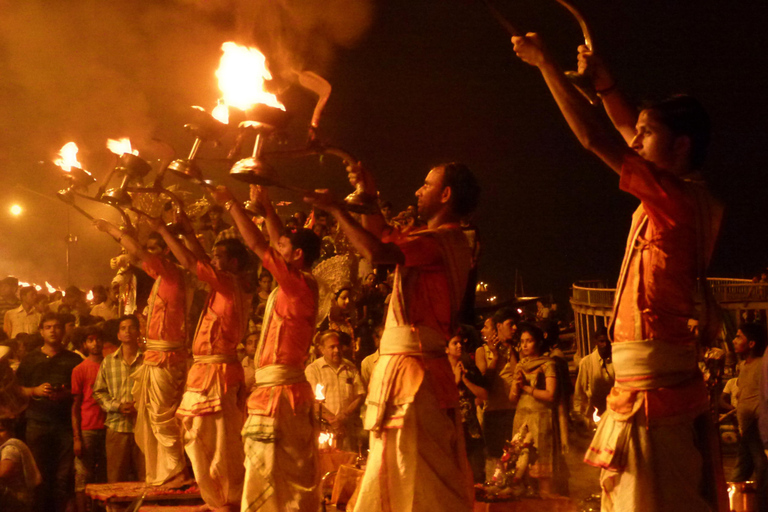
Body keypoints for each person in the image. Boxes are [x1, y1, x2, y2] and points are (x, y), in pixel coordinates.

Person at [512, 30, 726, 512]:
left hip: (654, 394)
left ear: (681, 145)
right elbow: (625, 128)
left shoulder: (676, 200)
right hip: (644, 387)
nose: (638, 139)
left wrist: (546, 65)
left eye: (649, 134)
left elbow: (595, 138)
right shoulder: (677, 192)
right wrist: (606, 85)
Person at [306, 160, 480, 512]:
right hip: (416, 366)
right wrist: (367, 195)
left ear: (445, 194)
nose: (418, 191)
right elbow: (383, 236)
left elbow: (378, 252)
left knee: (414, 472)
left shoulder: (439, 241)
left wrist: (338, 209)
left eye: (426, 185)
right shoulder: (440, 241)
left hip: (414, 372)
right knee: (400, 466)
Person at [213, 184, 321, 512]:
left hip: (282, 394)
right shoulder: (292, 282)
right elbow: (274, 242)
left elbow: (259, 244)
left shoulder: (299, 284)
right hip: (273, 390)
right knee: (269, 474)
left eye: (285, 245)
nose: (278, 246)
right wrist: (268, 208)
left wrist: (232, 204)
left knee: (280, 479)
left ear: (297, 256)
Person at [155, 211, 249, 512]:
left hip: (218, 374)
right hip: (205, 371)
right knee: (196, 438)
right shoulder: (220, 285)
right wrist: (185, 231)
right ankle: (216, 498)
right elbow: (200, 260)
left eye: (220, 256)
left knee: (222, 446)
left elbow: (192, 264)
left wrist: (165, 231)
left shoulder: (229, 284)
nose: (214, 260)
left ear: (233, 263)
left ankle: (228, 500)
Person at [95, 220, 189, 488]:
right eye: (149, 249)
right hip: (158, 356)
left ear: (167, 252)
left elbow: (138, 254)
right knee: (153, 415)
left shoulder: (171, 274)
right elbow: (139, 259)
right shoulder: (162, 278)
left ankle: (176, 471)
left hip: (166, 359)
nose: (149, 255)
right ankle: (166, 470)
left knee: (161, 416)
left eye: (155, 249)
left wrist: (113, 231)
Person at [16, 312, 82, 512]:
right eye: (48, 327)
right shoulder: (30, 359)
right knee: (38, 477)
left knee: (63, 478)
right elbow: (16, 389)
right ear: (41, 331)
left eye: (57, 326)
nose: (53, 331)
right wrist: (34, 390)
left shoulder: (73, 359)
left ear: (64, 331)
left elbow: (81, 392)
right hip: (37, 423)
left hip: (64, 425)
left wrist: (65, 393)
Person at [509, 323, 568, 496]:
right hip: (522, 419)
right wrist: (516, 384)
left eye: (529, 341)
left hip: (541, 420)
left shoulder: (547, 364)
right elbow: (512, 399)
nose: (524, 345)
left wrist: (527, 388)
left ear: (538, 342)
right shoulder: (521, 365)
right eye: (522, 341)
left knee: (542, 472)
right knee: (520, 469)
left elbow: (550, 395)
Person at [92, 315, 145, 483]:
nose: (127, 331)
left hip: (143, 427)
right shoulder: (108, 361)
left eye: (131, 327)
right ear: (118, 335)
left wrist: (141, 406)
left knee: (147, 478)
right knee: (116, 479)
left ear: (138, 332)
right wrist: (118, 406)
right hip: (117, 427)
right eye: (123, 328)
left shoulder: (148, 360)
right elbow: (99, 392)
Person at [476, 309, 518, 480]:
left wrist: (510, 349)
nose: (514, 328)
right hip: (493, 411)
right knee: (494, 458)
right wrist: (494, 356)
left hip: (513, 411)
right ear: (499, 327)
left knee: (515, 455)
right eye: (511, 325)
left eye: (486, 327)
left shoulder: (515, 349)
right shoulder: (482, 351)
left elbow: (518, 375)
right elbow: (485, 385)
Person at [305, 331, 366, 451]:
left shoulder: (350, 367)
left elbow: (360, 395)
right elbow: (312, 400)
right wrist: (332, 420)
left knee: (348, 464)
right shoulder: (313, 370)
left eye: (338, 346)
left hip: (347, 428)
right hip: (323, 430)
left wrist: (343, 416)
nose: (337, 350)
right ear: (322, 349)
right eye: (332, 347)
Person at [70, 326, 107, 512]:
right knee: (83, 475)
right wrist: (77, 438)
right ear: (84, 344)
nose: (95, 343)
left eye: (98, 339)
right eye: (90, 340)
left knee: (104, 476)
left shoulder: (111, 365)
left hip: (109, 427)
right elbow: (75, 406)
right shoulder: (80, 369)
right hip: (88, 428)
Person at [732, 323, 767, 511]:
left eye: (739, 337)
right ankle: (737, 502)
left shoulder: (762, 364)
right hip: (745, 426)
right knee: (742, 468)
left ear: (752, 343)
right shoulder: (742, 366)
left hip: (757, 424)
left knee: (761, 466)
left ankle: (760, 504)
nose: (734, 341)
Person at [447, 328, 487, 484]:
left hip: (471, 429)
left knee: (476, 474)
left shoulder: (469, 368)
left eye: (460, 342)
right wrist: (455, 381)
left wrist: (465, 380)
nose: (459, 346)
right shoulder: (440, 373)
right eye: (454, 343)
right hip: (450, 428)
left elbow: (484, 395)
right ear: (446, 348)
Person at [572, 326, 615, 424]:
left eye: (608, 342)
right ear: (596, 342)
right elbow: (580, 391)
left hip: (613, 412)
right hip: (594, 413)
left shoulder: (617, 361)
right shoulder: (586, 363)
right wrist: (579, 414)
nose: (605, 345)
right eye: (602, 341)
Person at [0, 418, 42, 511]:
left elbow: (3, 473)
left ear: (11, 431)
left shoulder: (11, 446)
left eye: (1, 430)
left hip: (16, 501)